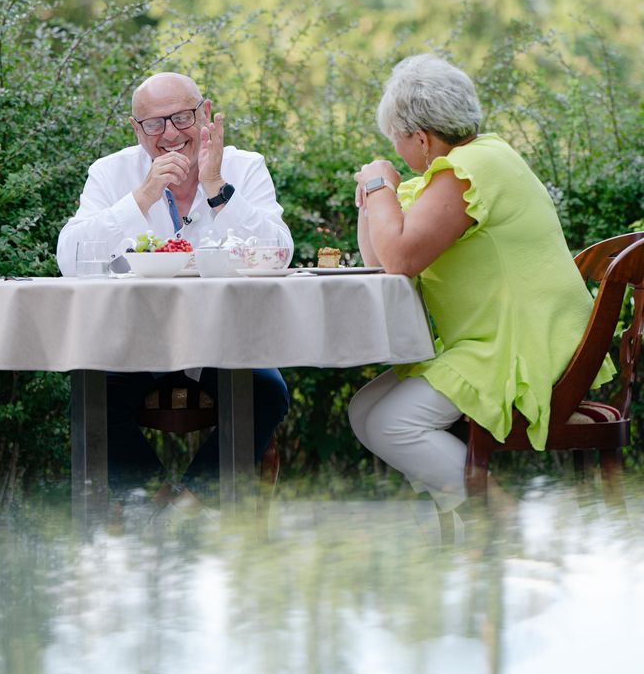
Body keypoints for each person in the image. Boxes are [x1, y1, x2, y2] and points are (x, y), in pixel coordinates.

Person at [349, 54, 614, 527]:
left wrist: (378, 183)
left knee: (393, 423)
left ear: (421, 139)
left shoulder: (472, 169)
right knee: (365, 410)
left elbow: (400, 257)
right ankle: (475, 520)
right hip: (493, 342)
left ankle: (496, 521)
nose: (393, 148)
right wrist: (373, 198)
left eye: (395, 138)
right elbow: (381, 261)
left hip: (520, 348)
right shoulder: (461, 167)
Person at [57, 71, 292, 501]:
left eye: (181, 117)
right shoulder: (111, 173)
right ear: (136, 129)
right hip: (134, 341)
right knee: (90, 397)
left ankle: (191, 502)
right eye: (154, 124)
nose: (169, 134)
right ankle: (156, 501)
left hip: (227, 341)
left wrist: (217, 187)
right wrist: (142, 196)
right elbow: (70, 259)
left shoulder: (244, 165)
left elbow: (278, 252)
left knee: (268, 394)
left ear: (204, 113)